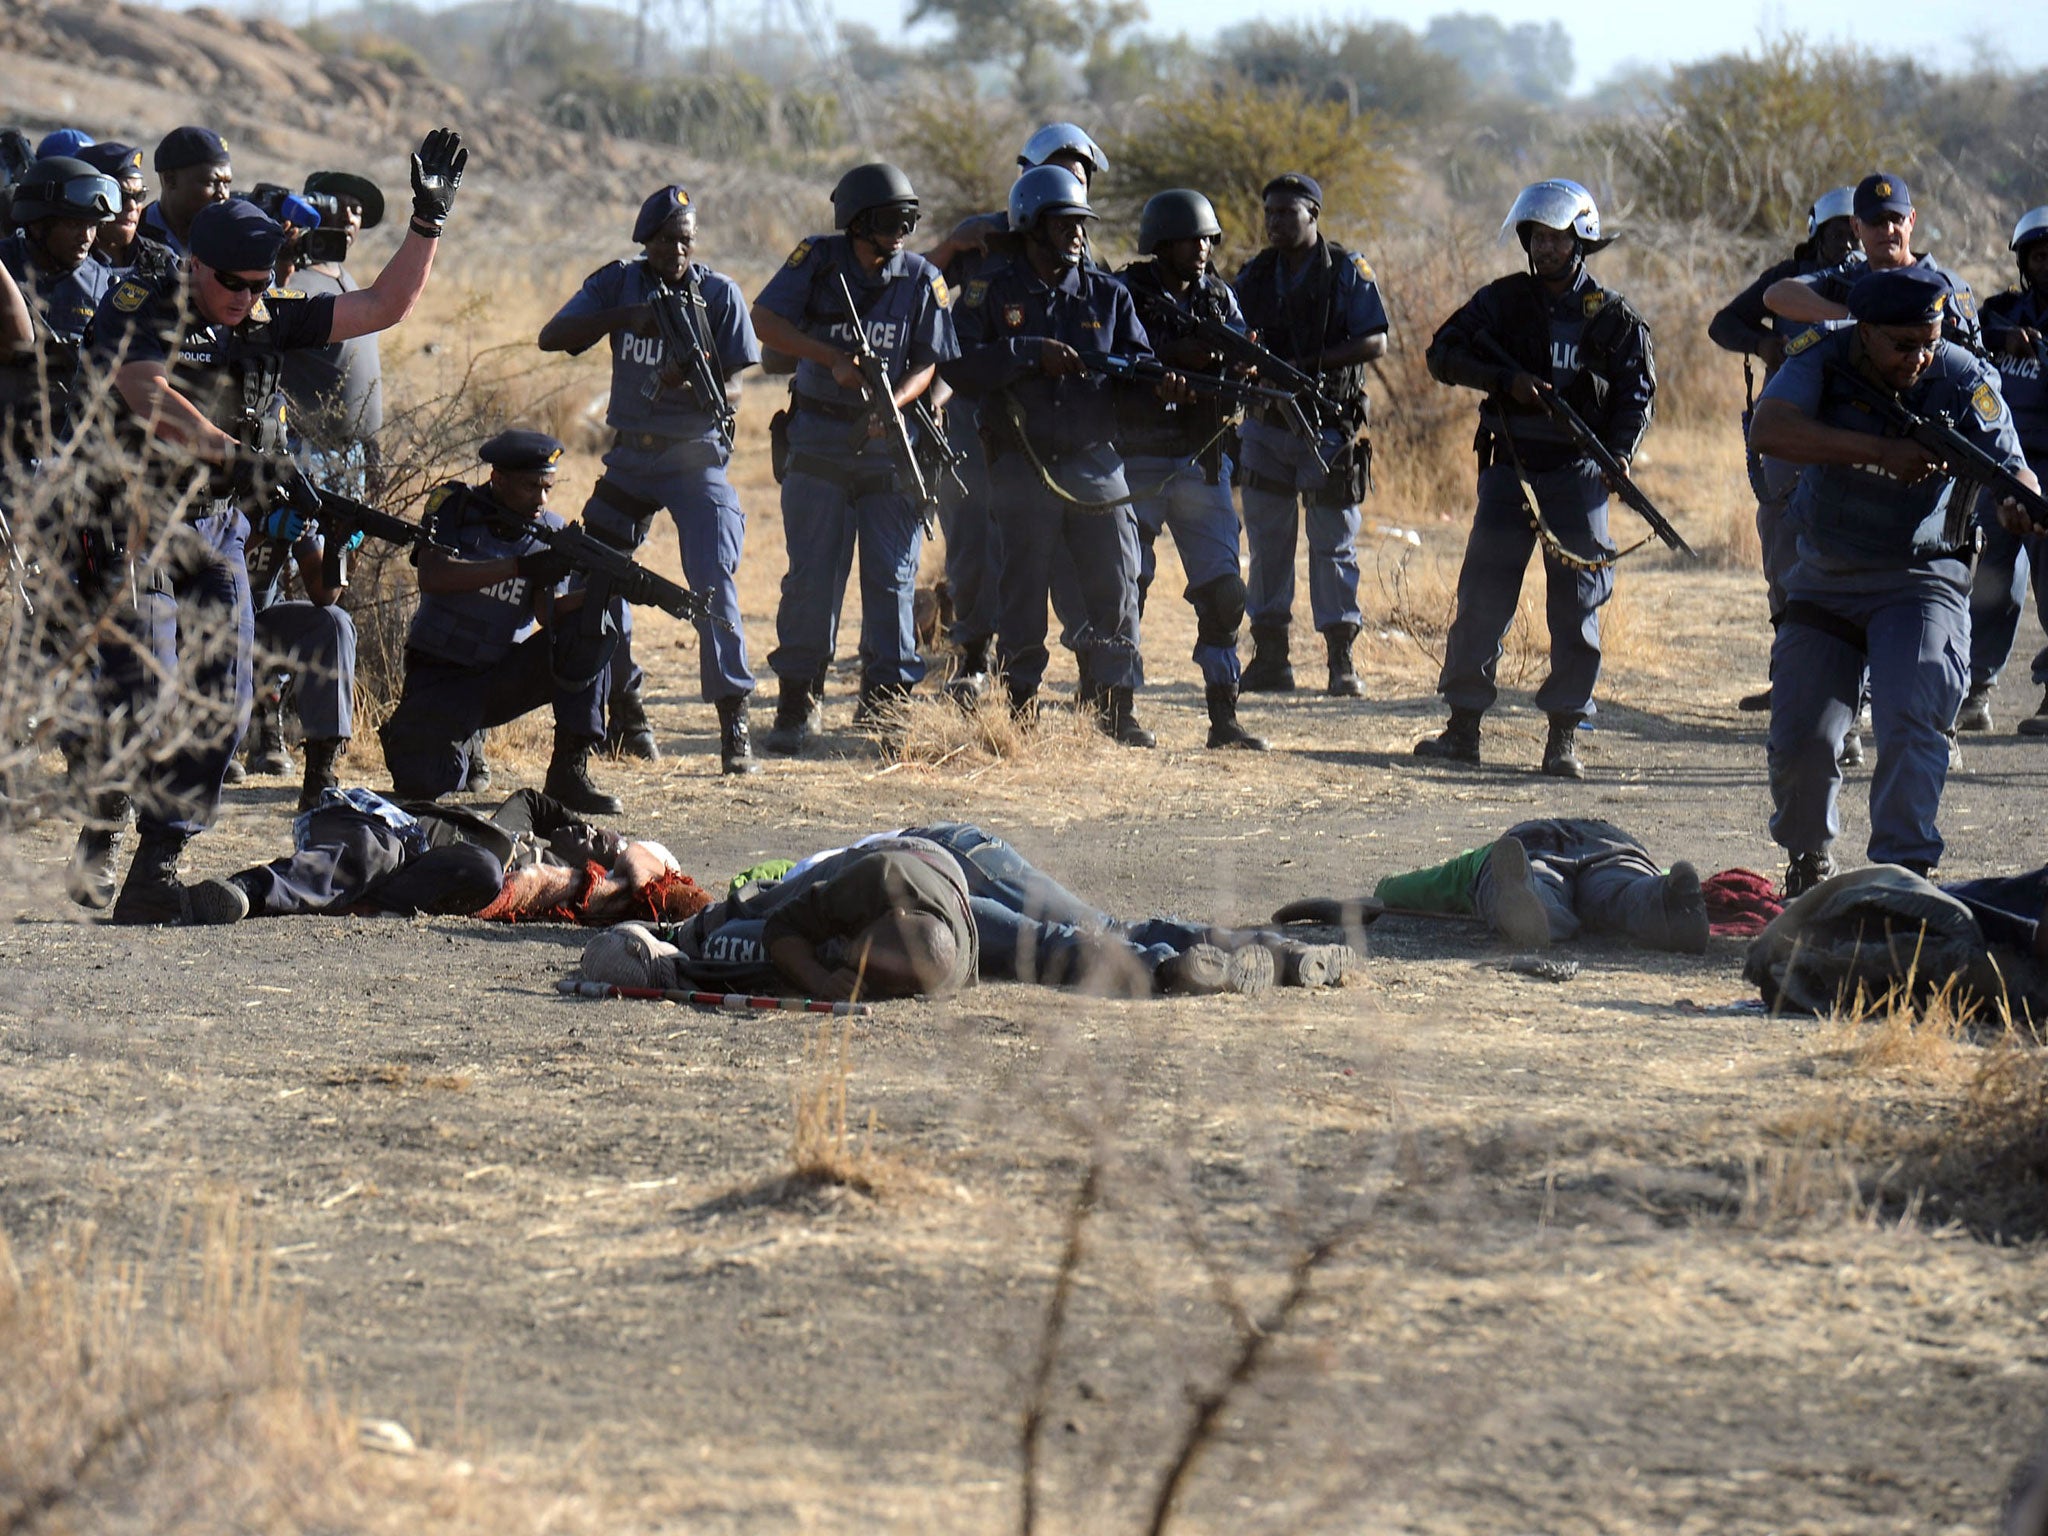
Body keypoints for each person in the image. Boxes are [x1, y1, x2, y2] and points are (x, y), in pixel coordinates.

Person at [72, 131, 466, 923]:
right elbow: (141, 386)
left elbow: (381, 307)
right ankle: (101, 827)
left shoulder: (262, 319)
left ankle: (158, 863)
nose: (244, 298)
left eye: (258, 285)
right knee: (142, 691)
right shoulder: (139, 304)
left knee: (227, 691)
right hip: (132, 523)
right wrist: (236, 454)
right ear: (193, 263)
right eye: (231, 283)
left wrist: (428, 222)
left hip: (212, 529)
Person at [1747, 267, 2037, 895]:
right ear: (1866, 331)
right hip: (1825, 574)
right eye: (1904, 345)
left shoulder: (1961, 375)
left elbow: (2014, 466)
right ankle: (1808, 863)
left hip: (1921, 578)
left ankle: (1903, 879)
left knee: (1913, 716)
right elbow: (1768, 428)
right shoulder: (1821, 360)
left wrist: (2021, 502)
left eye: (1930, 341)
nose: (1921, 357)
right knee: (1802, 733)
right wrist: (1876, 450)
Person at [1415, 180, 1655, 778]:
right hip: (1509, 470)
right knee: (1482, 599)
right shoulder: (1500, 302)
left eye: (1556, 238)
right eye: (1537, 237)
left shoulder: (1614, 316)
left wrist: (1618, 455)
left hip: (1577, 477)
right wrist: (1504, 380)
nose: (1545, 248)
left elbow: (1636, 393)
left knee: (1577, 608)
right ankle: (1463, 728)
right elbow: (1442, 353)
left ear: (1581, 240)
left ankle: (1564, 737)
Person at [940, 165, 1172, 745]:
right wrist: (1026, 352)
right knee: (1022, 587)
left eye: (1081, 224)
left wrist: (1165, 388)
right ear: (1030, 225)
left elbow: (1139, 370)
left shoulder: (1107, 294)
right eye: (1064, 223)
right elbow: (958, 366)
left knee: (1118, 579)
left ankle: (1114, 705)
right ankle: (1020, 705)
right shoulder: (990, 293)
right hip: (1021, 463)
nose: (1077, 234)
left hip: (1095, 462)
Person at [539, 184, 762, 773]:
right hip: (632, 457)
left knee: (713, 574)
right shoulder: (619, 282)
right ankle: (625, 710)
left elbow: (739, 383)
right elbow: (553, 337)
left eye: (686, 240)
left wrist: (699, 384)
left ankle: (733, 720)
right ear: (646, 242)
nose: (677, 250)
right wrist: (625, 317)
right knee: (599, 575)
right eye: (666, 240)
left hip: (695, 456)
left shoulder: (719, 294)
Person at [749, 163, 956, 752]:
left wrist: (892, 402)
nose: (899, 236)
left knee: (892, 579)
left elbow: (930, 361)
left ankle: (885, 700)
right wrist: (830, 358)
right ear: (857, 222)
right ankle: (800, 697)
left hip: (891, 446)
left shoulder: (919, 278)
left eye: (907, 223)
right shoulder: (816, 259)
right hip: (817, 439)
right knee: (813, 578)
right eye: (888, 223)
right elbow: (765, 322)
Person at [922, 123, 1110, 700]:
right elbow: (912, 294)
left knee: (1073, 555)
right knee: (976, 543)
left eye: (1082, 179)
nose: (1072, 185)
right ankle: (974, 658)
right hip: (979, 421)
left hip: (1055, 430)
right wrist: (953, 246)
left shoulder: (1082, 250)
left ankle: (1090, 669)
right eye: (1058, 172)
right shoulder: (984, 241)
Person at [376, 430, 626, 816]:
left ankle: (568, 773)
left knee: (588, 630)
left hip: (498, 674)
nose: (541, 500)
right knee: (422, 784)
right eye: (531, 487)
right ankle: (457, 739)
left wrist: (598, 595)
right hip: (439, 673)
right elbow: (434, 575)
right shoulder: (454, 508)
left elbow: (546, 613)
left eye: (548, 488)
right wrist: (518, 566)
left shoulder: (550, 532)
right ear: (498, 479)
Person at [1114, 189, 1265, 750]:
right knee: (1129, 584)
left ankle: (1223, 717)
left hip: (1204, 459)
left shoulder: (1219, 300)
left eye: (1208, 239)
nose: (1202, 248)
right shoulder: (1128, 294)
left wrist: (1241, 369)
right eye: (1190, 239)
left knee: (1225, 592)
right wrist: (1168, 362)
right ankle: (1117, 706)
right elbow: (1117, 358)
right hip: (1138, 455)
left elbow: (1240, 359)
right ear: (1162, 243)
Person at [1231, 172, 1389, 698]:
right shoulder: (1255, 275)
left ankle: (1340, 659)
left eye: (1287, 213)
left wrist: (1306, 365)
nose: (1275, 222)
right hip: (1266, 426)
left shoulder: (1346, 270)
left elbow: (1375, 340)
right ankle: (1271, 659)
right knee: (1268, 545)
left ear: (1313, 214)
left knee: (1333, 544)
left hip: (1327, 427)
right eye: (1269, 212)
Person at [1710, 186, 1861, 712]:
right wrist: (1762, 343)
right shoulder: (1786, 278)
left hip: (1852, 429)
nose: (1847, 242)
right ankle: (1790, 675)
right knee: (1781, 552)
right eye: (1836, 232)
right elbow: (1723, 323)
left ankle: (1854, 686)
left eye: (1855, 231)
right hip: (1788, 429)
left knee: (1852, 552)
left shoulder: (1874, 283)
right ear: (1815, 236)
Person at [193, 786, 714, 927]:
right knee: (380, 852)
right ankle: (248, 891)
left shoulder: (537, 879)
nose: (595, 833)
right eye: (600, 831)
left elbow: (647, 871)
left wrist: (625, 860)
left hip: (407, 864)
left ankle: (316, 891)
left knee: (481, 871)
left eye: (604, 842)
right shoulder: (513, 836)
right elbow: (533, 799)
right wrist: (586, 832)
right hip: (370, 823)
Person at [1337, 819, 1710, 952]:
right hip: (1613, 844)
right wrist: (1664, 880)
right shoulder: (1618, 840)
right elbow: (1649, 869)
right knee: (1626, 892)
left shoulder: (1477, 857)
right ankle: (1668, 906)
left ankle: (1531, 902)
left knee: (1536, 881)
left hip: (1531, 844)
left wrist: (1385, 886)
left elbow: (1404, 890)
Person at [1957, 207, 2048, 736]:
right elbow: (1968, 333)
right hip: (2000, 467)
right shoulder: (2002, 311)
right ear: (2024, 263)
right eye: (2039, 256)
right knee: (1991, 576)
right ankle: (1975, 690)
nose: (2047, 265)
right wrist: (2005, 339)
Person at [0, 155, 118, 462]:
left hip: (66, 461)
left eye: (93, 225)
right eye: (74, 223)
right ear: (38, 223)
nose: (87, 236)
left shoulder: (106, 287)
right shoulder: (5, 266)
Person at [240, 519, 357, 808]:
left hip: (261, 616)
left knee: (334, 624)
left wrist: (337, 548)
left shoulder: (292, 497)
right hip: (201, 616)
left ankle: (319, 777)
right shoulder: (212, 484)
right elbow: (199, 555)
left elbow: (323, 593)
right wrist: (261, 528)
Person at [75, 142, 171, 279]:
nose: (132, 205)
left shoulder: (161, 260)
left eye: (139, 196)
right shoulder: (71, 263)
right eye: (120, 195)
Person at [136, 126, 233, 257]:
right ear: (171, 180)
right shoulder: (133, 237)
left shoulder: (228, 240)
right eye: (212, 182)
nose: (223, 194)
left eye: (226, 184)